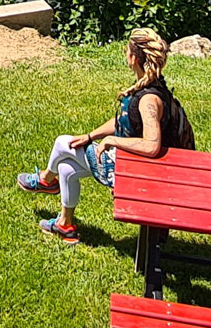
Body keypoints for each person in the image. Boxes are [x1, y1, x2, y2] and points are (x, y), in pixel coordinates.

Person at [16, 27, 190, 244]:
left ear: (133, 58)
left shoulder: (148, 100)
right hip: (143, 166)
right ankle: (65, 225)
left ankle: (45, 180)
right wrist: (90, 136)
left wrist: (111, 140)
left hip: (134, 171)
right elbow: (124, 122)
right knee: (66, 169)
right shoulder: (153, 86)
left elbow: (151, 145)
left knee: (62, 143)